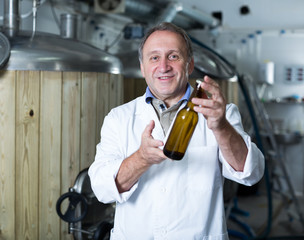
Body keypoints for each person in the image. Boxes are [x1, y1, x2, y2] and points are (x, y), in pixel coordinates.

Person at [88, 22, 264, 240]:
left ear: (189, 65)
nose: (163, 67)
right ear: (142, 67)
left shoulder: (222, 114)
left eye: (173, 56)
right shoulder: (119, 117)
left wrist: (220, 127)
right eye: (154, 58)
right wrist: (141, 158)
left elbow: (251, 173)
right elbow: (102, 189)